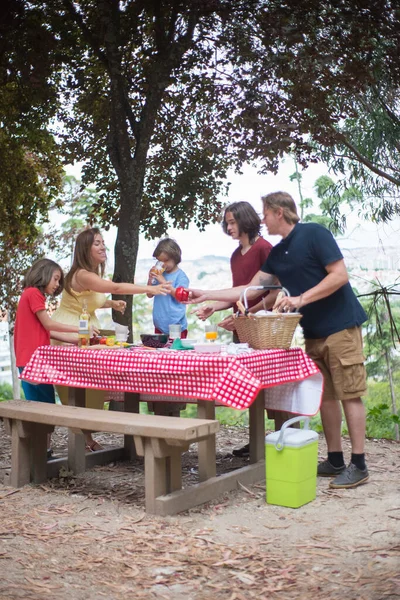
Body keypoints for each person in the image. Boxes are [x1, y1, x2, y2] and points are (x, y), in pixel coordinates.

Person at [189, 191, 369, 489]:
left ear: (279, 212)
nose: (263, 220)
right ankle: (335, 458)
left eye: (265, 213)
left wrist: (300, 298)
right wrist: (207, 294)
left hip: (341, 327)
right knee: (326, 396)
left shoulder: (314, 234)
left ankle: (359, 464)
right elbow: (249, 288)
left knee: (350, 393)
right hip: (313, 332)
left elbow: (339, 275)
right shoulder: (277, 253)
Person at [51, 227, 172, 451]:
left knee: (92, 385)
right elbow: (115, 287)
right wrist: (149, 289)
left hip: (87, 331)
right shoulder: (82, 274)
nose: (102, 246)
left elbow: (90, 299)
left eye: (102, 242)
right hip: (69, 333)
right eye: (96, 243)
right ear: (85, 249)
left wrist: (111, 304)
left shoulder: (90, 275)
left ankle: (86, 437)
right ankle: (82, 440)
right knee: (78, 389)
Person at [14, 258, 80, 458]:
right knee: (42, 408)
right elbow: (49, 324)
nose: (57, 284)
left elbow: (45, 331)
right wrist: (80, 327)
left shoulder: (29, 295)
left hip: (32, 360)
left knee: (44, 404)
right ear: (44, 273)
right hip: (33, 361)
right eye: (56, 279)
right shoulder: (34, 293)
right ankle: (39, 453)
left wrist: (74, 339)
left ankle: (44, 450)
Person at [194, 201, 272, 333]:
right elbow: (238, 294)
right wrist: (214, 307)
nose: (229, 227)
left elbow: (276, 293)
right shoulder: (235, 255)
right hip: (239, 327)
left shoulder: (264, 248)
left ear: (245, 220)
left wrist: (246, 314)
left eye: (232, 222)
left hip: (263, 329)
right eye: (227, 223)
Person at [147, 238, 189, 338]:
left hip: (176, 325)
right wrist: (150, 279)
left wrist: (163, 282)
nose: (163, 265)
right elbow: (149, 294)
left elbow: (181, 297)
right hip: (159, 324)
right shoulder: (159, 274)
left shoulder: (181, 277)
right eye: (160, 261)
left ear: (175, 258)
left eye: (166, 260)